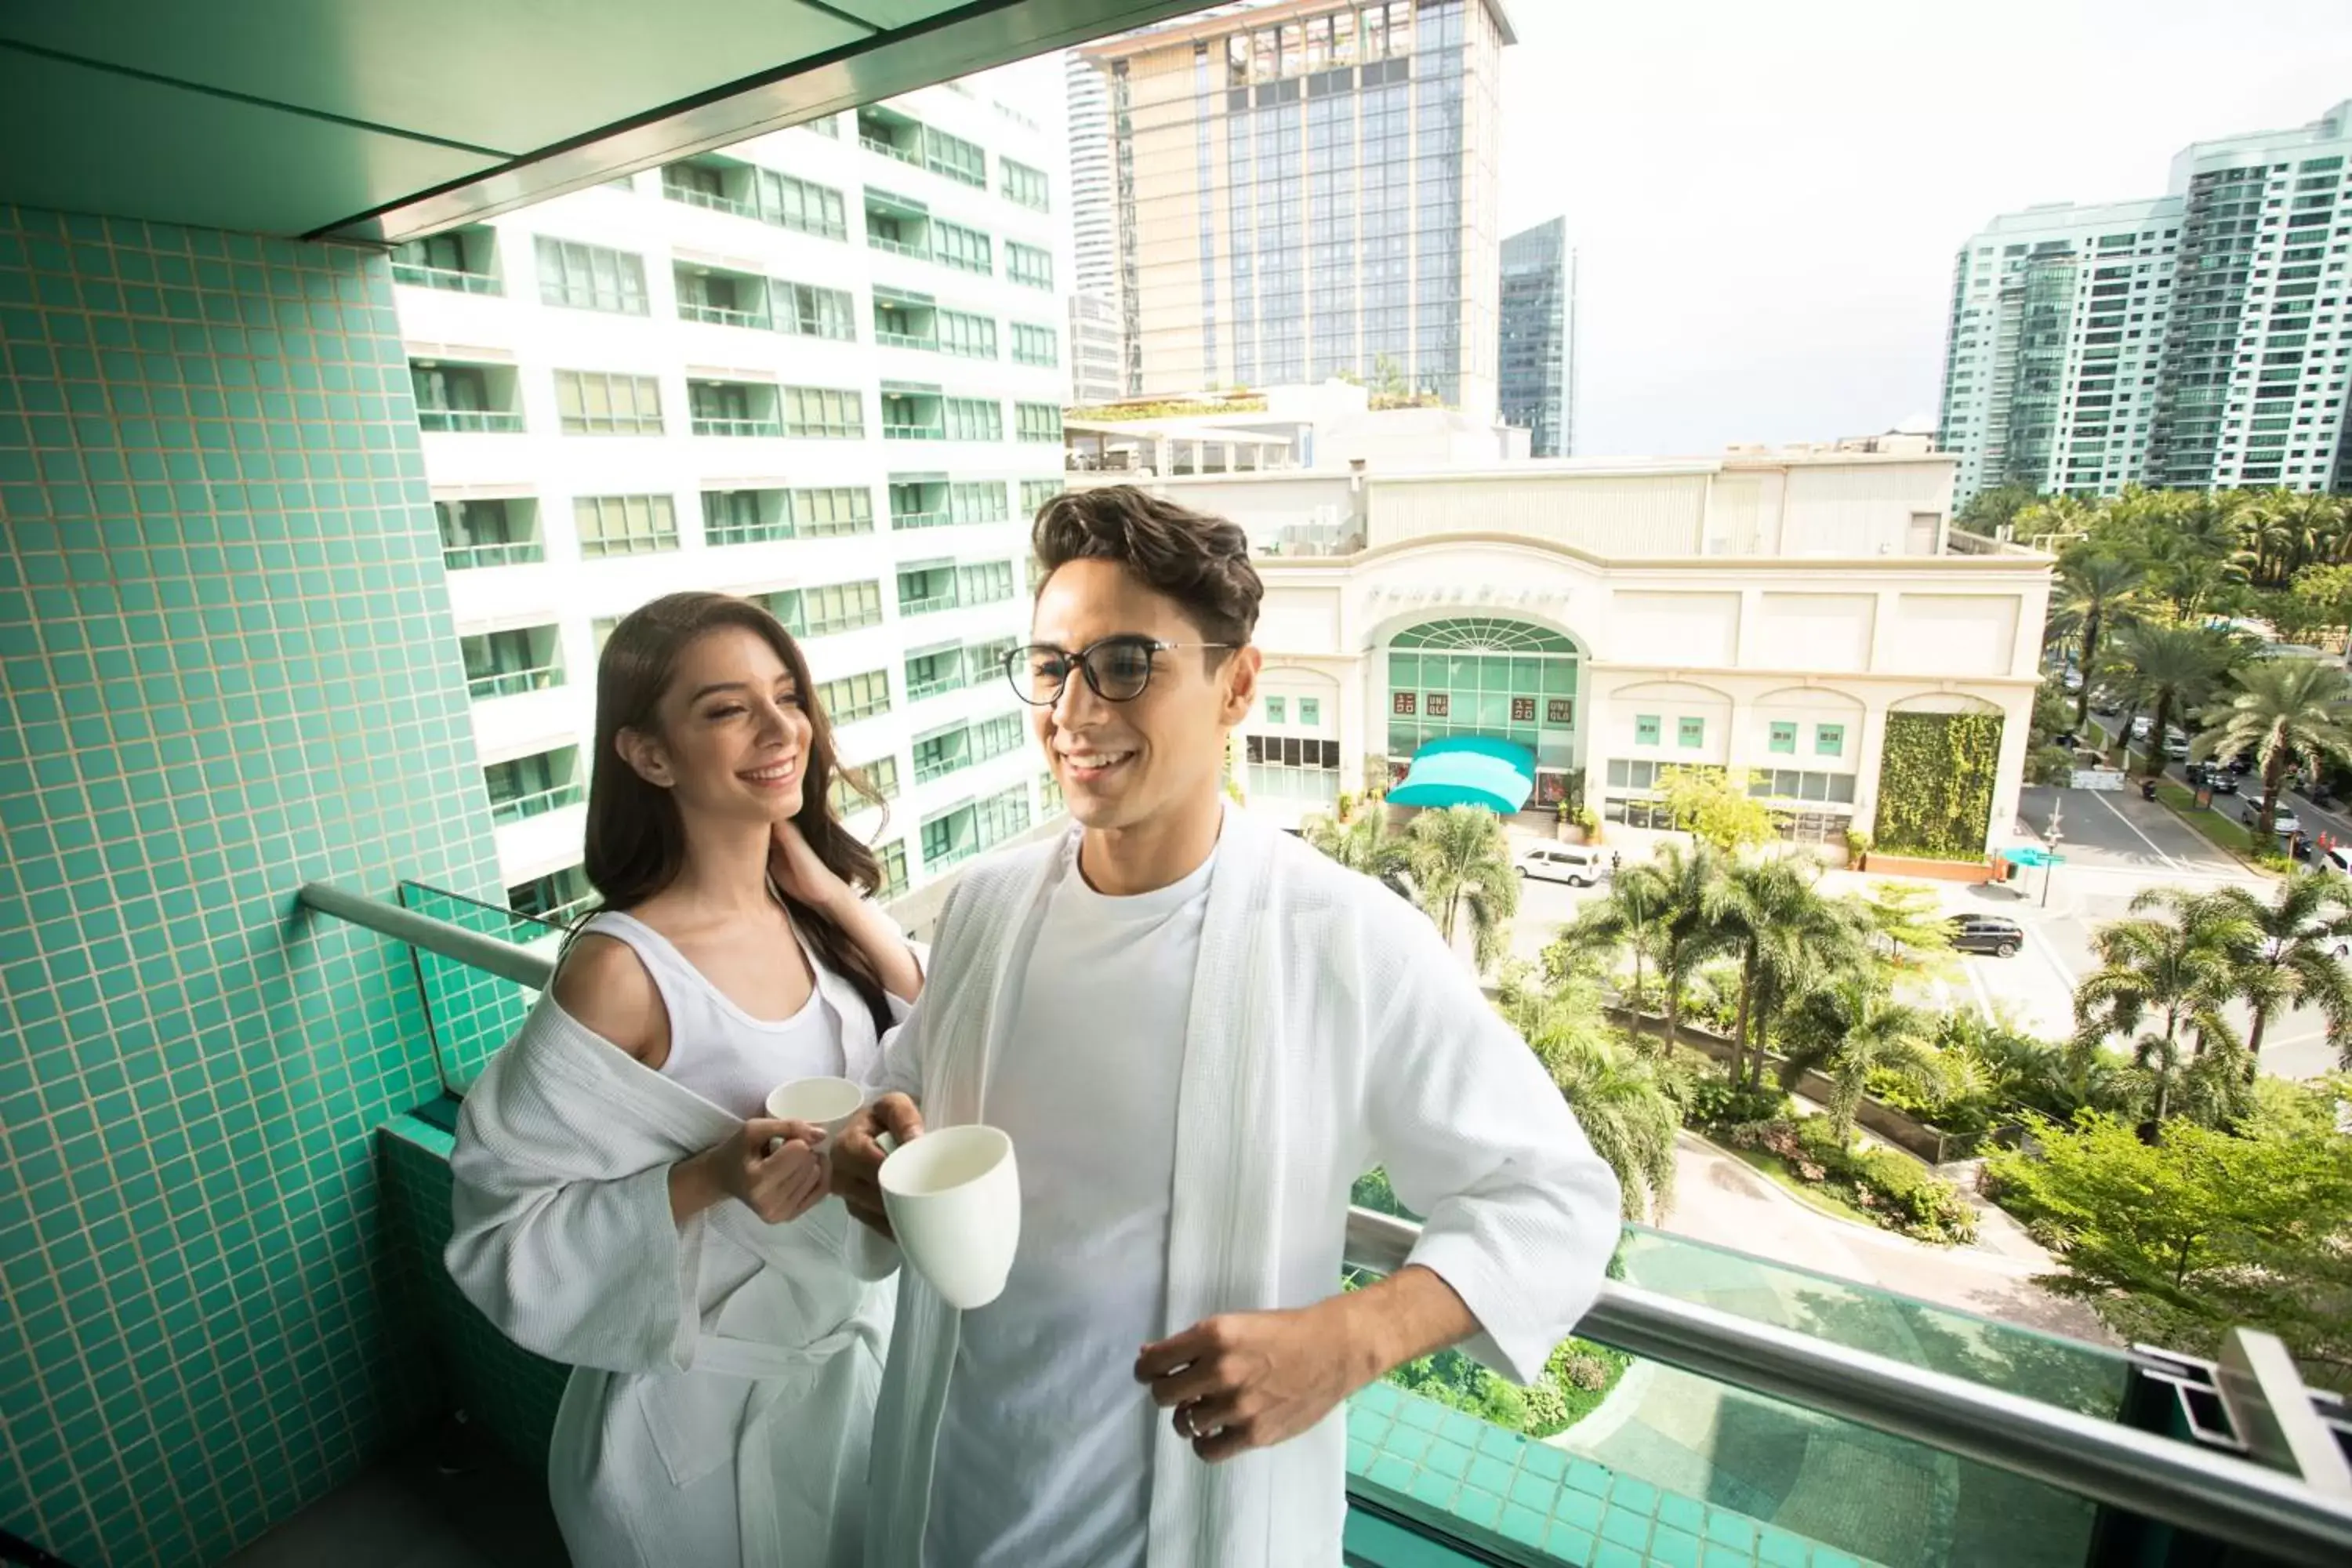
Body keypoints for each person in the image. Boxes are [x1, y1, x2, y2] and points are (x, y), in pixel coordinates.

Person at [833, 488, 1620, 1566]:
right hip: (952, 1504)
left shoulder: (1346, 941)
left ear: (1237, 683)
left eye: (1125, 664)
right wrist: (871, 1156)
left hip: (1182, 1534)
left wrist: (1350, 1340)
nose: (1072, 710)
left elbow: (1555, 1201)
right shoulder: (986, 908)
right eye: (1053, 667)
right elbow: (909, 1099)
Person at [445, 592, 923, 1568]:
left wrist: (829, 890)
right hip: (690, 1439)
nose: (781, 726)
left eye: (787, 695)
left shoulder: (809, 918)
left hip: (840, 1399)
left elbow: (929, 1020)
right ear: (648, 754)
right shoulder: (623, 971)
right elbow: (499, 1227)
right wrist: (709, 1177)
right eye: (725, 708)